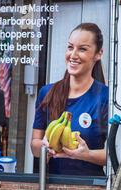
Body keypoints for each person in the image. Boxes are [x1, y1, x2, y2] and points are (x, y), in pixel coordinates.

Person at [31, 23, 108, 176]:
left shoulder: (106, 97)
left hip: (90, 188)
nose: (73, 55)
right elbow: (34, 145)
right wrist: (44, 147)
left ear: (98, 54)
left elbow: (116, 154)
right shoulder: (47, 93)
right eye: (70, 47)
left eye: (82, 49)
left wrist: (87, 155)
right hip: (50, 186)